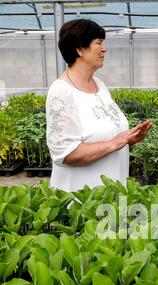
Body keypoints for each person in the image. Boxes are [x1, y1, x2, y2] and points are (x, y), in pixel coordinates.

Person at [46, 19, 152, 192]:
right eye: (98, 43)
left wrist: (129, 139)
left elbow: (106, 135)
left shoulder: (100, 86)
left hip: (110, 194)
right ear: (80, 49)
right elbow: (65, 153)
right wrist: (115, 142)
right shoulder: (62, 91)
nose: (104, 49)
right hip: (81, 199)